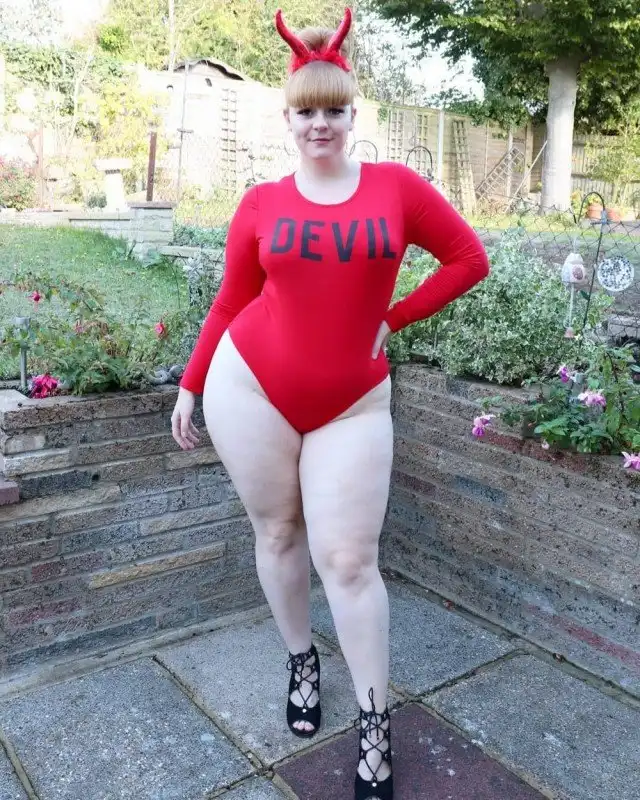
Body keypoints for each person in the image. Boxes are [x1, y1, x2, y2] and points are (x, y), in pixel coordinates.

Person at [171, 7, 490, 799]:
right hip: (251, 386)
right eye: (306, 112)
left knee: (348, 560)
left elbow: (468, 258)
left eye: (335, 111)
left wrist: (395, 317)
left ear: (353, 117)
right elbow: (230, 301)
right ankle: (301, 659)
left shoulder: (397, 189)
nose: (321, 124)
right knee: (278, 532)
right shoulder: (260, 203)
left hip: (353, 402)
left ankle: (376, 720)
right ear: (288, 120)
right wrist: (191, 381)